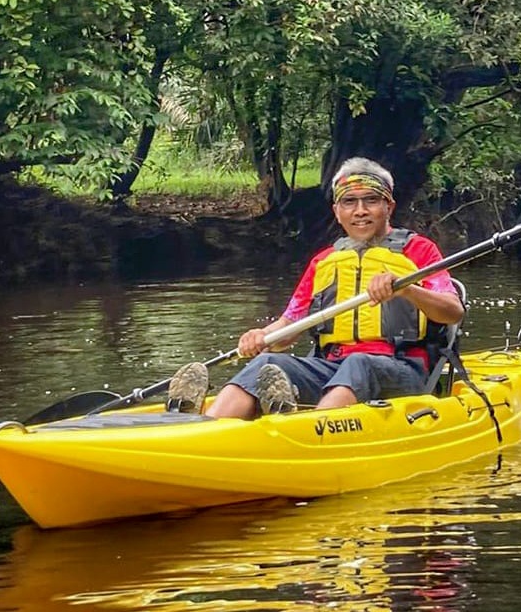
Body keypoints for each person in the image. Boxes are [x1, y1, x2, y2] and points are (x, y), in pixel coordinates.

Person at [166, 157, 464, 418]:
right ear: (337, 211)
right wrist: (262, 337)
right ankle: (204, 425)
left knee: (360, 363)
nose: (360, 210)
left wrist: (407, 290)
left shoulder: (419, 250)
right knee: (268, 361)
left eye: (370, 200)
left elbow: (452, 312)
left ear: (389, 205)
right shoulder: (324, 261)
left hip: (402, 370)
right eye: (349, 202)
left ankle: (307, 430)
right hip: (331, 367)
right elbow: (289, 326)